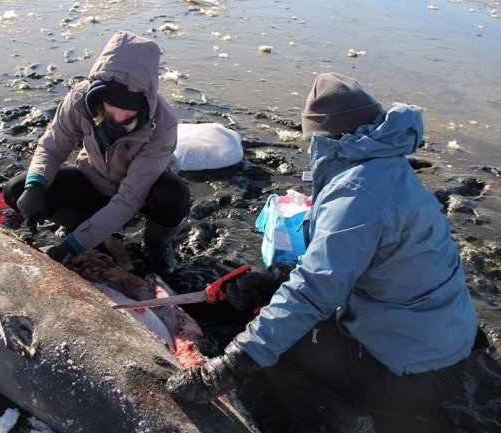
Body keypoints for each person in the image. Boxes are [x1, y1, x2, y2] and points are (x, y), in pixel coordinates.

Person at [167, 73, 482, 433]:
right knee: (286, 312)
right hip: (443, 349)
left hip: (415, 379)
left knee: (280, 342)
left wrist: (227, 369)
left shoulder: (356, 192)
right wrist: (274, 278)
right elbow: (347, 261)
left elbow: (313, 293)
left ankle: (341, 422)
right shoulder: (387, 167)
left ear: (323, 136)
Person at [3, 31, 190, 274]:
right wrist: (35, 185)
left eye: (129, 114)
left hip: (143, 193)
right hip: (94, 180)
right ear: (98, 98)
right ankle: (86, 226)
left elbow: (131, 196)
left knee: (173, 195)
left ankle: (156, 244)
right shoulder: (79, 99)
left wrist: (72, 246)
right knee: (15, 189)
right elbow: (51, 147)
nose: (120, 119)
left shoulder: (163, 123)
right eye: (112, 111)